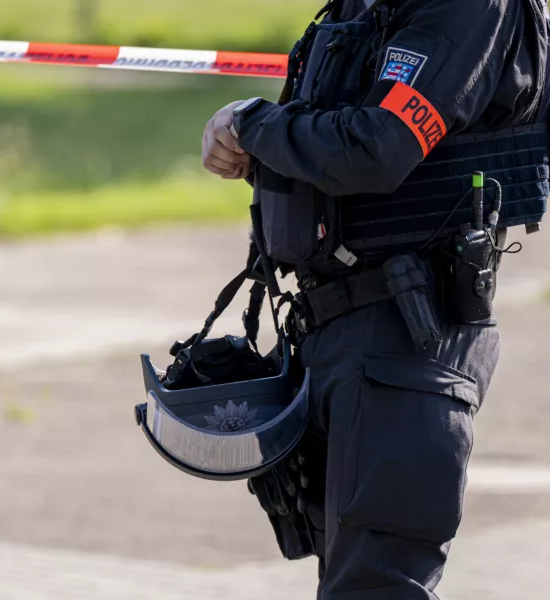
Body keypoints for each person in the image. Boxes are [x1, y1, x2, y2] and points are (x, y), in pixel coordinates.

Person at [201, 0, 550, 598]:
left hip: (406, 336)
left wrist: (253, 124)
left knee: (374, 588)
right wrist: (242, 137)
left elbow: (380, 147)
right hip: (336, 328)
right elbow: (333, 136)